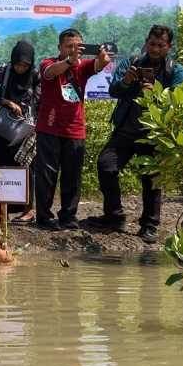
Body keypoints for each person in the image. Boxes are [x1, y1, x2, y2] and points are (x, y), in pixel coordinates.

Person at [86, 26, 183, 243]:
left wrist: (156, 95)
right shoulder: (131, 63)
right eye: (152, 44)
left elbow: (178, 101)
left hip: (155, 132)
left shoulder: (175, 71)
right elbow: (113, 90)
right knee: (106, 165)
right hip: (126, 130)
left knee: (151, 179)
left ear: (168, 47)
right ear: (146, 42)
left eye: (161, 45)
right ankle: (114, 216)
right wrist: (126, 81)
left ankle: (149, 225)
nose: (155, 49)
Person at [34, 29, 110, 230]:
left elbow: (99, 64)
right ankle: (44, 217)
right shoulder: (48, 62)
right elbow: (50, 73)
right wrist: (69, 61)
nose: (73, 50)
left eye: (78, 46)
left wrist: (102, 57)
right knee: (46, 176)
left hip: (75, 130)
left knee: (72, 176)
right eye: (69, 46)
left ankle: (68, 216)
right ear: (59, 47)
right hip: (49, 128)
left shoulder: (83, 66)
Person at [0, 40, 41, 222]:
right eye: (18, 64)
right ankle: (2, 209)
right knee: (1, 166)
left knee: (26, 167)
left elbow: (40, 101)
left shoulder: (36, 75)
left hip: (26, 130)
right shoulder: (3, 70)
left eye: (25, 65)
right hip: (4, 128)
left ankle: (28, 210)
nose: (21, 68)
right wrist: (6, 102)